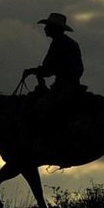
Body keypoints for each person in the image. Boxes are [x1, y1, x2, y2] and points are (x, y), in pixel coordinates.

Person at [22, 12, 85, 140]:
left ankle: (52, 139)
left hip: (65, 85)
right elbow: (49, 68)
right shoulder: (62, 43)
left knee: (43, 107)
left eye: (48, 26)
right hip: (65, 84)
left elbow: (49, 69)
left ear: (54, 29)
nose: (45, 28)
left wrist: (34, 71)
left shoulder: (61, 44)